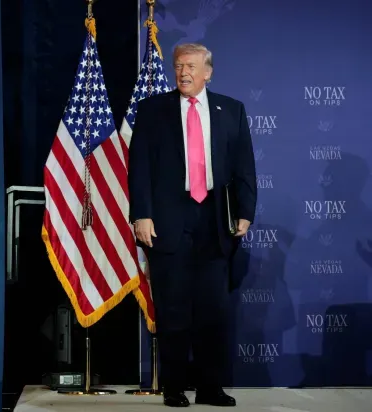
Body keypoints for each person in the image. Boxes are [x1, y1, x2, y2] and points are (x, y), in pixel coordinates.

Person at [128, 43, 257, 407]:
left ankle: (210, 388)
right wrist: (141, 214)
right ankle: (173, 388)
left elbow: (244, 166)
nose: (183, 72)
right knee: (173, 310)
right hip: (168, 220)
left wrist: (245, 212)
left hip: (214, 220)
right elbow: (139, 166)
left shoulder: (231, 110)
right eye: (179, 66)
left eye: (191, 66)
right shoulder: (152, 109)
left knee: (212, 311)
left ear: (207, 72)